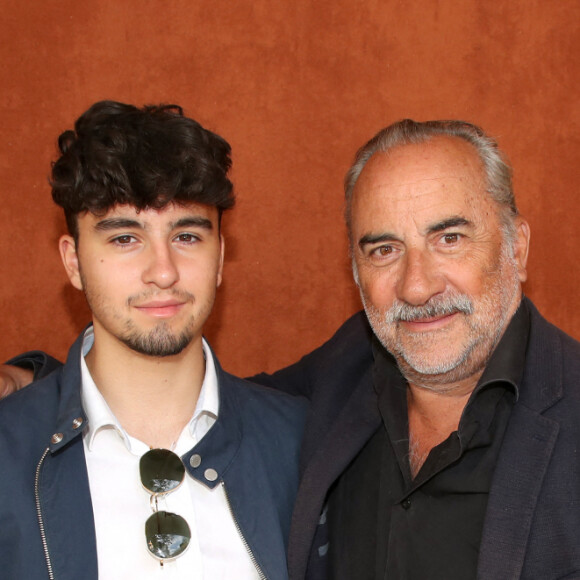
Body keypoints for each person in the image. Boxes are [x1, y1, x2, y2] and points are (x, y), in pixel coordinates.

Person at [4, 119, 580, 580]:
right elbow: (163, 385)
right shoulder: (341, 381)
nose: (418, 286)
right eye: (383, 249)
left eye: (449, 238)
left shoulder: (292, 433)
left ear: (517, 246)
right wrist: (40, 391)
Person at [0, 100, 307, 580]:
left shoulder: (304, 446)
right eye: (124, 238)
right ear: (73, 261)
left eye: (187, 236)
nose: (162, 271)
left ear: (221, 256)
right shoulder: (8, 453)